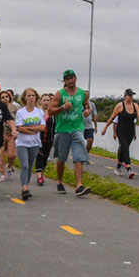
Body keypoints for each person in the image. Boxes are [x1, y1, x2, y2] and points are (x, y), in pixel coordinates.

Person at [47, 69, 92, 197]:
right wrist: (62, 107)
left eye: (72, 78)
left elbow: (86, 106)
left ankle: (79, 186)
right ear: (64, 81)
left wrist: (87, 111)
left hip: (77, 128)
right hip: (62, 129)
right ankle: (60, 181)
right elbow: (50, 111)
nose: (70, 81)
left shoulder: (83, 93)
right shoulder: (59, 94)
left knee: (79, 156)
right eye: (67, 79)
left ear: (75, 78)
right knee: (62, 158)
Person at [101, 88, 139, 179]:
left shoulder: (135, 106)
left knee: (124, 148)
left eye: (132, 95)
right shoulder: (120, 106)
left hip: (130, 131)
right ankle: (129, 169)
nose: (131, 97)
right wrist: (105, 128)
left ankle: (118, 166)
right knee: (125, 147)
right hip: (121, 130)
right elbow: (112, 117)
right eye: (129, 96)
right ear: (125, 96)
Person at [14, 87, 46, 201]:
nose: (31, 98)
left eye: (33, 96)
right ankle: (25, 188)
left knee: (30, 166)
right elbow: (20, 128)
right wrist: (33, 129)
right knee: (24, 165)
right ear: (25, 98)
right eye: (29, 96)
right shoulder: (20, 112)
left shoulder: (39, 112)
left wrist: (30, 128)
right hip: (22, 142)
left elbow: (42, 127)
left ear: (36, 98)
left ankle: (25, 188)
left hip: (35, 143)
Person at [34, 93, 56, 186]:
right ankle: (39, 176)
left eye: (48, 100)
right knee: (39, 155)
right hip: (39, 139)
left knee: (45, 157)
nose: (46, 102)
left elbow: (55, 127)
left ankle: (41, 172)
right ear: (41, 101)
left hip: (49, 139)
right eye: (44, 100)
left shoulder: (53, 114)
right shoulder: (37, 112)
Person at [0, 90, 20, 181]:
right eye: (2, 97)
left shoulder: (14, 107)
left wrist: (15, 128)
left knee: (12, 154)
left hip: (11, 134)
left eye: (6, 97)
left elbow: (19, 118)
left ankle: (10, 166)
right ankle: (2, 173)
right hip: (1, 133)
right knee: (1, 155)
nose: (5, 99)